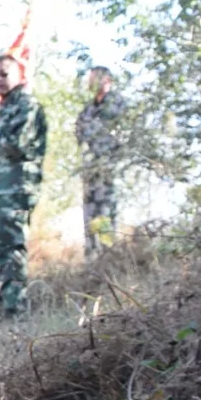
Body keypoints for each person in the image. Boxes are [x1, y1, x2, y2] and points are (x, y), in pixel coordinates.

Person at [0, 54, 47, 319]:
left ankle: (16, 314)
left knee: (10, 249)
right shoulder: (4, 108)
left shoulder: (26, 104)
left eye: (3, 74)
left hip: (16, 189)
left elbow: (16, 145)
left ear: (18, 74)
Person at [75, 66, 125, 259]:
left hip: (111, 169)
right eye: (91, 79)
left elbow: (128, 136)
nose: (93, 82)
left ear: (108, 80)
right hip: (90, 169)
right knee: (89, 215)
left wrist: (113, 159)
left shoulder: (119, 105)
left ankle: (109, 259)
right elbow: (79, 136)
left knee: (106, 213)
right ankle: (92, 262)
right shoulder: (87, 110)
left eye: (97, 78)